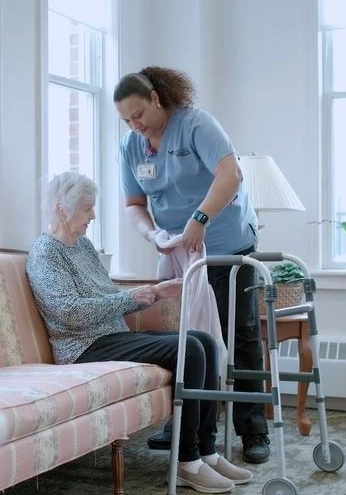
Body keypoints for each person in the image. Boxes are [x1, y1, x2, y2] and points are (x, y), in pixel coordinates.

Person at [26, 172, 253, 494]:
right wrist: (132, 297)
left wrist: (155, 293)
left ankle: (206, 450)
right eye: (87, 208)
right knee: (189, 347)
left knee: (203, 340)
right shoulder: (46, 252)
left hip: (110, 336)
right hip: (82, 347)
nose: (93, 215)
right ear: (63, 209)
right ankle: (187, 462)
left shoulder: (83, 246)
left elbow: (107, 298)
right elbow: (69, 312)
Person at [114, 66, 270, 464]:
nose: (135, 126)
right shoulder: (131, 146)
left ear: (155, 99)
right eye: (126, 120)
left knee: (240, 336)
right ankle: (192, 428)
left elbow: (229, 175)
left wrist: (199, 219)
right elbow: (134, 206)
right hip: (180, 254)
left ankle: (253, 430)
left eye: (139, 115)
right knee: (190, 339)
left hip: (225, 246)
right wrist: (154, 236)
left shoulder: (196, 124)